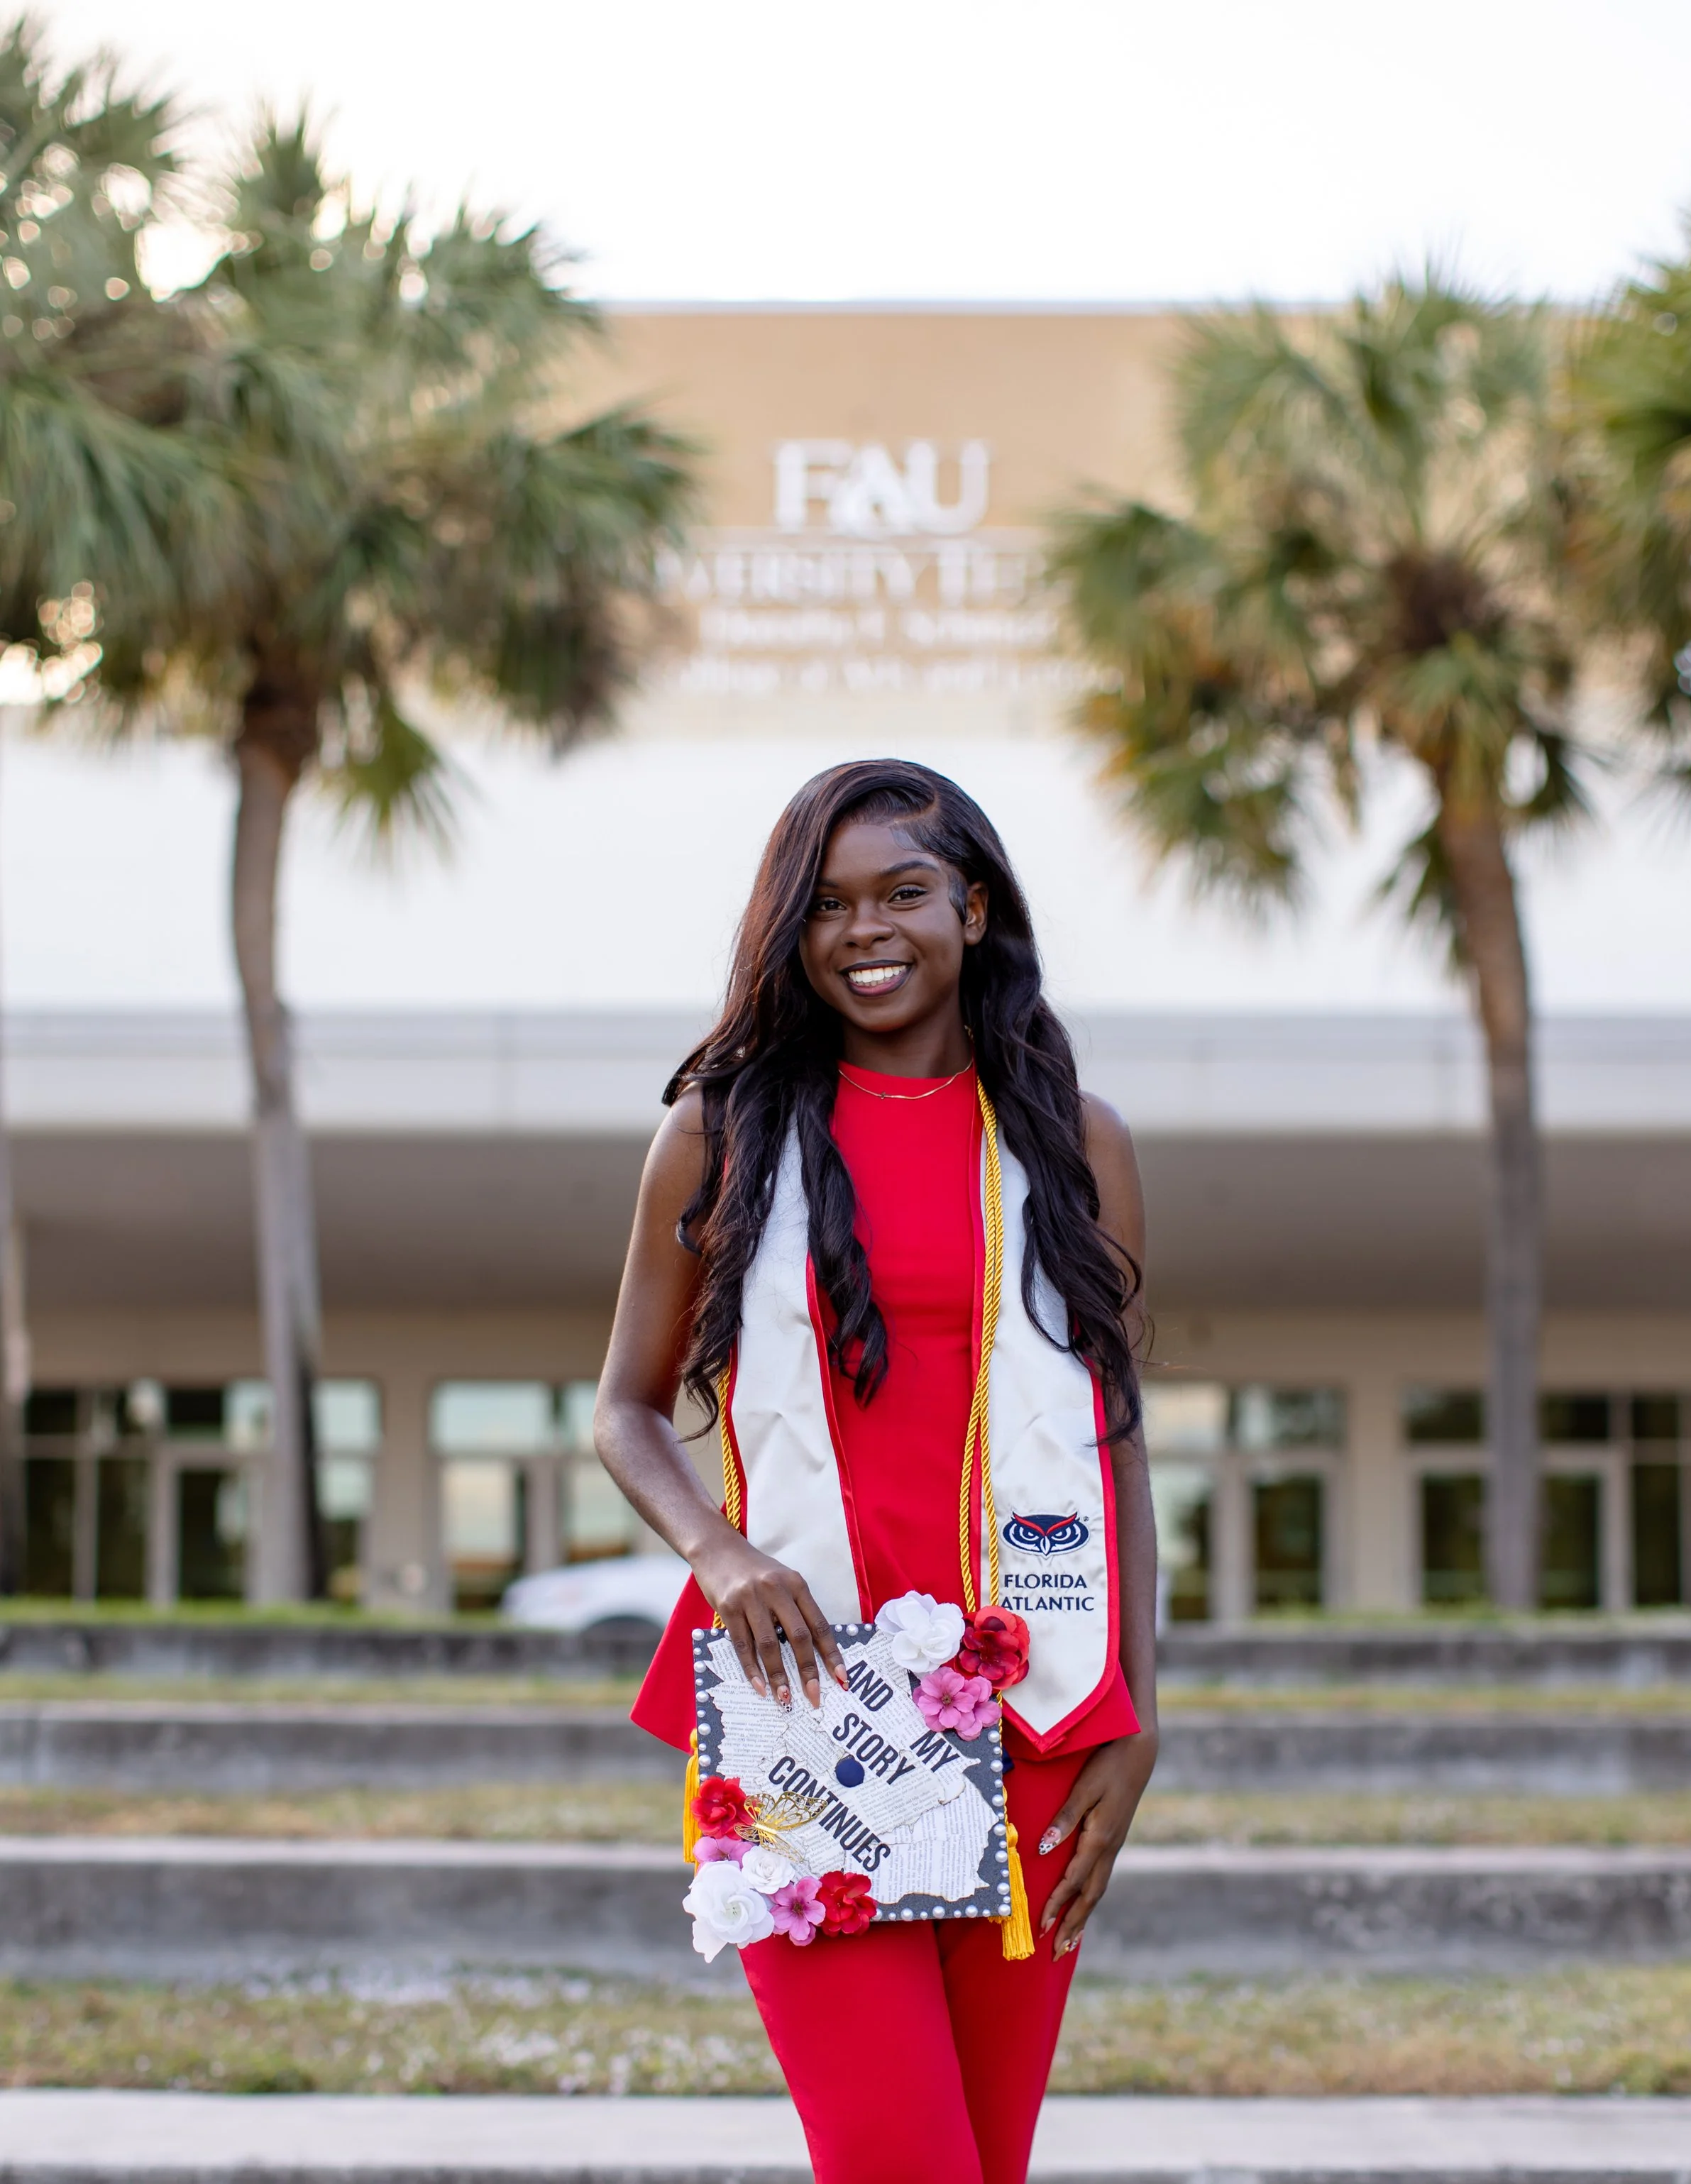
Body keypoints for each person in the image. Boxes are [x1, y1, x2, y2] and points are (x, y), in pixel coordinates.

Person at [595, 759, 1157, 2184]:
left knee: (983, 2162)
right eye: (827, 905)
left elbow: (1114, 1438)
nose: (866, 929)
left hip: (1032, 1712)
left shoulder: (1073, 1144)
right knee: (894, 2158)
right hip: (812, 1719)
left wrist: (1135, 1708)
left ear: (972, 907)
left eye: (901, 892)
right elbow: (623, 1411)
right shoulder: (719, 1136)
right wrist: (720, 1557)